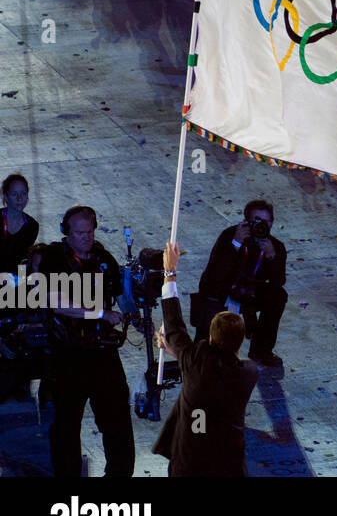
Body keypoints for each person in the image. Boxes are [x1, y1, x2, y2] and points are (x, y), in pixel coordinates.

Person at [40, 206, 135, 477]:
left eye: (90, 232)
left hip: (102, 353)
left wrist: (133, 306)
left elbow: (120, 296)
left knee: (117, 420)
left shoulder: (103, 259)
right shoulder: (54, 260)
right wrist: (102, 313)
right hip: (68, 356)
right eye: (80, 233)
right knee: (67, 425)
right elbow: (56, 303)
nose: (86, 238)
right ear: (66, 232)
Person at [152, 240, 260, 476]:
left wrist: (170, 272)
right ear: (240, 342)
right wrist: (177, 352)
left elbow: (174, 325)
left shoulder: (196, 360)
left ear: (210, 338)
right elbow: (204, 364)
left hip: (191, 461)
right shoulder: (249, 373)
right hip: (227, 463)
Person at [195, 201, 289, 367]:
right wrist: (235, 245)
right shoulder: (230, 236)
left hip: (250, 293)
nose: (262, 225)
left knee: (278, 296)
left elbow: (278, 282)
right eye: (257, 220)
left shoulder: (276, 247)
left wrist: (272, 257)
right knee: (205, 338)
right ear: (247, 221)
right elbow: (215, 274)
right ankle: (204, 350)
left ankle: (261, 349)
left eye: (267, 221)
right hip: (222, 290)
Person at [0, 173, 38, 274]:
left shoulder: (32, 226)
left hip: (14, 280)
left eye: (23, 194)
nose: (19, 198)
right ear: (5, 197)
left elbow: (22, 260)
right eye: (14, 194)